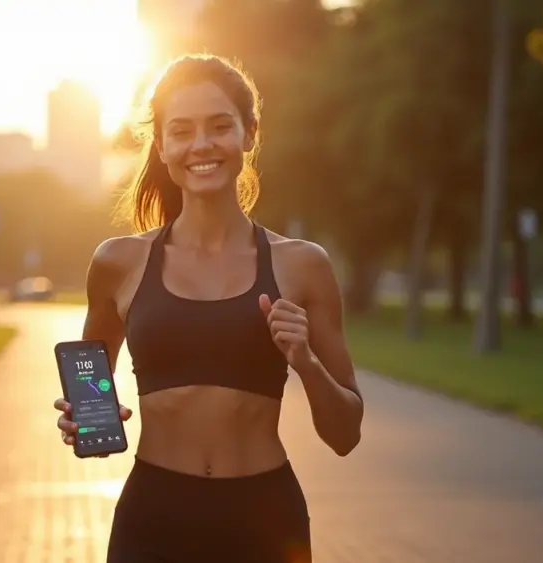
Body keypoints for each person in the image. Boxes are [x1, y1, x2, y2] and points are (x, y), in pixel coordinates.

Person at [53, 54, 364, 563]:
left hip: (265, 520)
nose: (201, 145)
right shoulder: (118, 263)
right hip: (153, 519)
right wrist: (81, 422)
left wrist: (305, 361)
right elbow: (91, 403)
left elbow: (345, 434)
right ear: (161, 145)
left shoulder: (303, 265)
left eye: (220, 127)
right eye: (182, 130)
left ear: (249, 135)